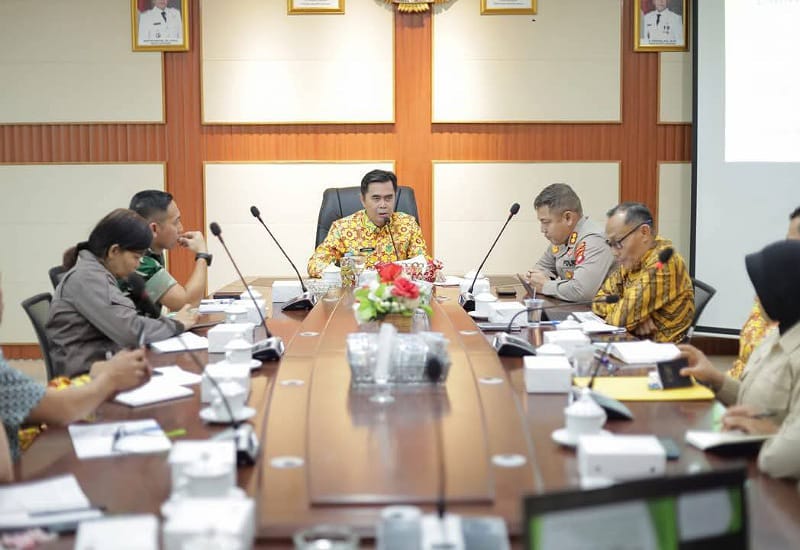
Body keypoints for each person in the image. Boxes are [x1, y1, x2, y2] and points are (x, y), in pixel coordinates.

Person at [679, 240, 800, 479]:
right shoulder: (778, 333)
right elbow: (758, 398)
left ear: (784, 292)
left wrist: (768, 435)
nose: (756, 298)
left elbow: (781, 460)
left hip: (782, 493)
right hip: (753, 465)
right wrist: (715, 378)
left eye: (764, 289)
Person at [0, 280, 150, 463]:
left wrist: (102, 374)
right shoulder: (87, 281)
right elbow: (61, 408)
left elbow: (31, 400)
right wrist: (111, 378)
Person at [46, 209, 197, 378]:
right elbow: (130, 331)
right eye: (136, 256)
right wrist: (177, 325)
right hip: (84, 376)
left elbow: (127, 321)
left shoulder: (97, 272)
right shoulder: (88, 278)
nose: (138, 264)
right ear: (114, 251)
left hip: (105, 363)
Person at [592, 202, 694, 343]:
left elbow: (619, 319)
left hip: (663, 354)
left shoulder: (664, 263)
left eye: (618, 242)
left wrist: (630, 314)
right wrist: (637, 318)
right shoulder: (632, 258)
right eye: (610, 244)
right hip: (636, 342)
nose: (614, 252)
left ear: (644, 232)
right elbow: (598, 301)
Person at [307, 170, 429, 277]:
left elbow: (424, 263)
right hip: (357, 296)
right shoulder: (343, 228)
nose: (383, 205)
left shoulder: (408, 224)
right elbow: (316, 264)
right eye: (376, 198)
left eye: (388, 198)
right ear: (363, 200)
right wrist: (347, 274)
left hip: (397, 296)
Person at [729, 206, 800, 379]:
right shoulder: (778, 290)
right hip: (740, 382)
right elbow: (749, 343)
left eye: (793, 245)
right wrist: (715, 380)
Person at [524, 183, 615, 302]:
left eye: (546, 222)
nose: (542, 229)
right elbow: (540, 269)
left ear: (568, 218)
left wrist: (546, 286)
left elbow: (581, 291)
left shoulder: (594, 240)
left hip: (601, 316)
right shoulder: (561, 239)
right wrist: (537, 279)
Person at [129, 190, 210, 312]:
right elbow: (187, 304)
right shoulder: (140, 262)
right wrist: (202, 255)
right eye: (176, 222)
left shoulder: (152, 251)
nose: (181, 228)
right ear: (154, 228)